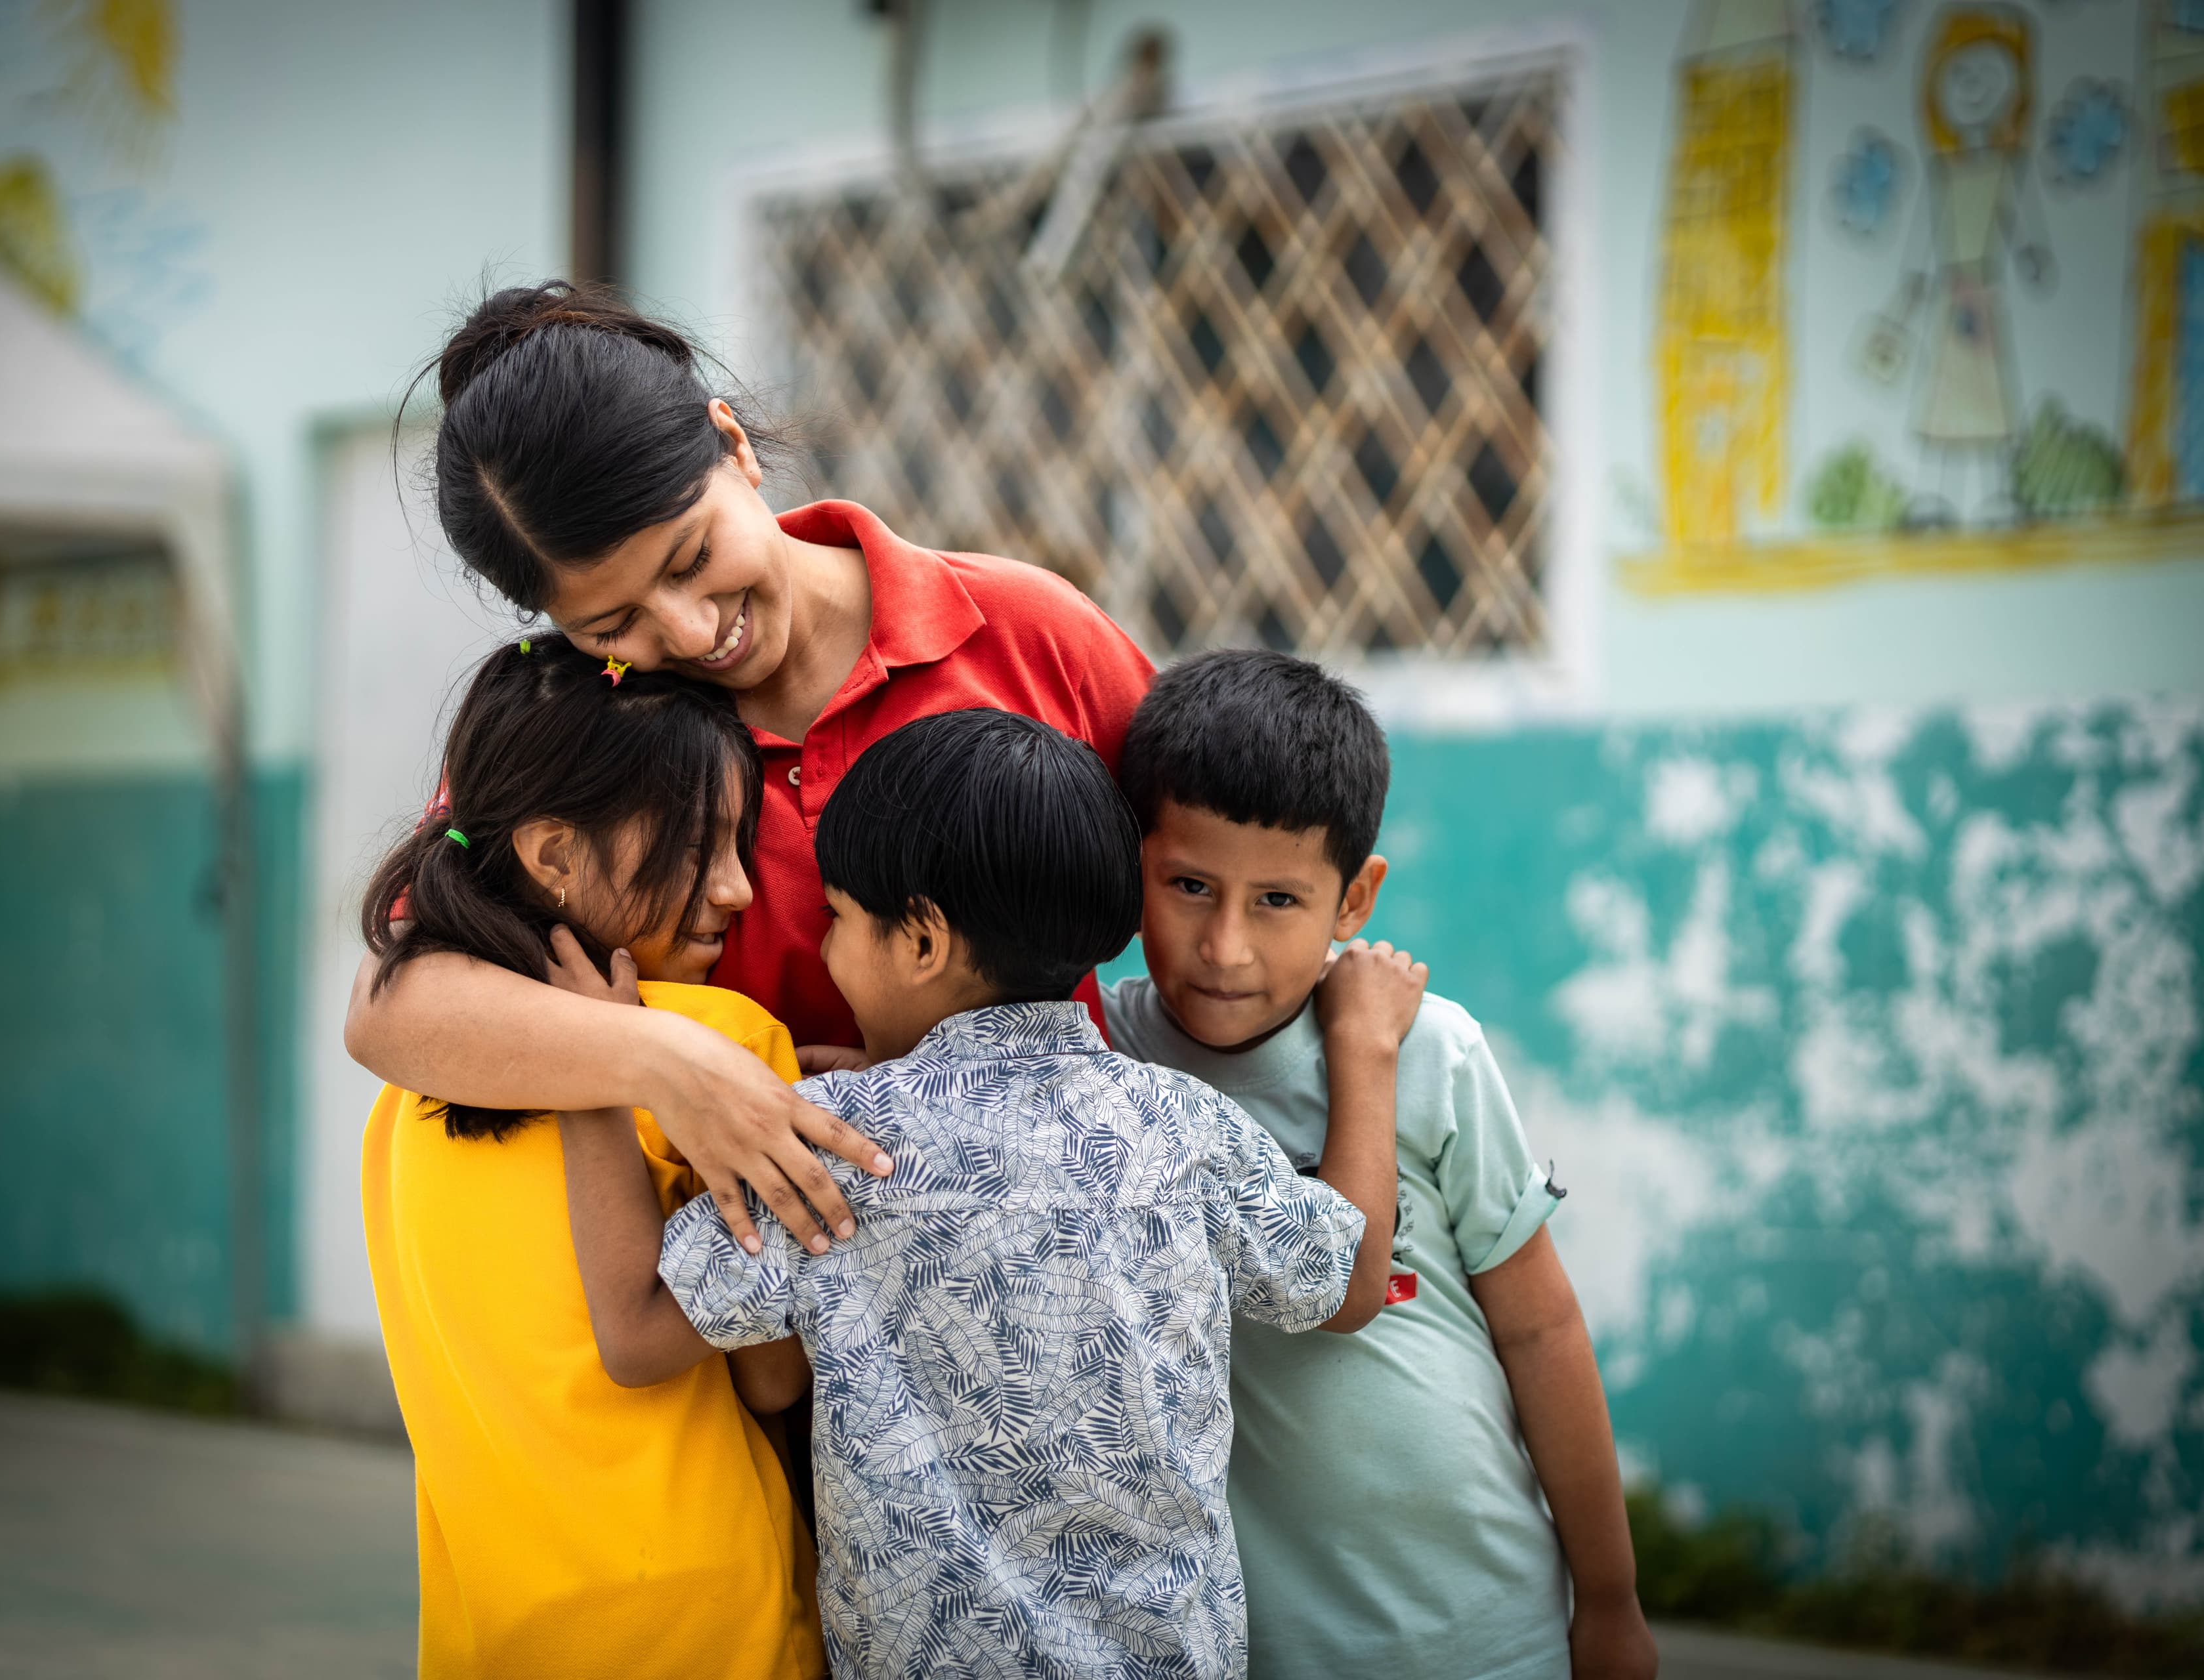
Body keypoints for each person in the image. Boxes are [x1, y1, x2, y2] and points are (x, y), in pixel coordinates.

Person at [549, 709, 1425, 1679]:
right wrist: (1367, 1051)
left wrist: (595, 1069)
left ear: (920, 940)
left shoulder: (835, 1144)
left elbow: (636, 1337)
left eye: (837, 918)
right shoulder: (1185, 1128)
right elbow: (1346, 1286)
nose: (829, 952)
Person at [344, 282, 1155, 1257]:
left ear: (733, 443)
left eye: (690, 558)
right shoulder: (586, 727)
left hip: (1067, 1300)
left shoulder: (1022, 631)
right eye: (613, 624)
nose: (688, 632)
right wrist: (669, 1063)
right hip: (757, 1365)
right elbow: (395, 1008)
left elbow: (1222, 886)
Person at [1102, 650, 1658, 1680]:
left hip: (1483, 1629)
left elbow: (1539, 1326)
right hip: (1258, 1644)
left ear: (1354, 899)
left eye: (1277, 901)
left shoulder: (1428, 1048)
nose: (1225, 946)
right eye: (1188, 886)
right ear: (1130, 863)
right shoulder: (1103, 1062)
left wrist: (1612, 1600)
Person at [356, 639, 823, 1680]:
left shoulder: (402, 1098)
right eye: (701, 848)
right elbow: (775, 1375)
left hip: (496, 1631)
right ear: (554, 854)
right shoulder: (720, 1046)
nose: (741, 890)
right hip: (708, 1619)